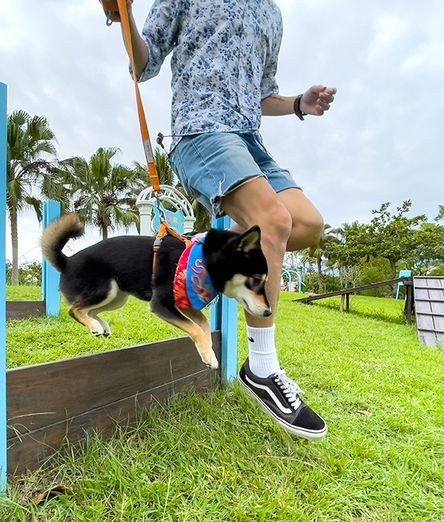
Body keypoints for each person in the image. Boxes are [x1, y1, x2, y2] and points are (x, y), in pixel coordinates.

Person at [103, 0, 336, 440]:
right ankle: (262, 368)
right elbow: (143, 61)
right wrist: (126, 14)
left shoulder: (272, 14)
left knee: (307, 224)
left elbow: (261, 95)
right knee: (273, 222)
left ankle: (206, 256)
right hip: (201, 131)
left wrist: (299, 105)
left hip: (251, 141)